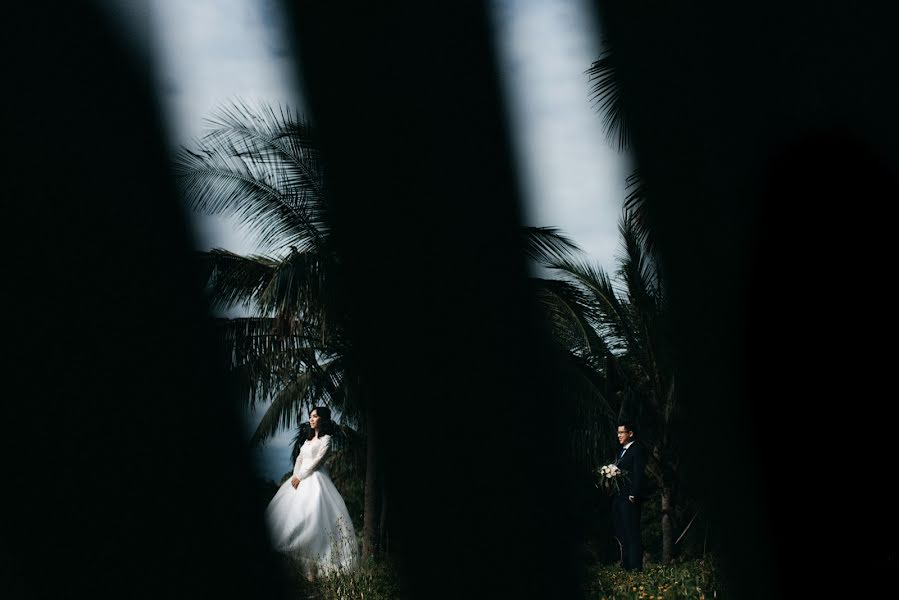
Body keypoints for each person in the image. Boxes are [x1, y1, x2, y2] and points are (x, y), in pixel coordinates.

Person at [265, 407, 358, 577]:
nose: (311, 419)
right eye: (310, 416)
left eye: (315, 416)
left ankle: (314, 564)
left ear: (322, 419)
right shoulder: (307, 442)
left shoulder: (327, 440)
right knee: (291, 516)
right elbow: (300, 459)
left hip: (315, 479)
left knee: (313, 516)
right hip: (299, 479)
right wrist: (295, 476)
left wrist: (301, 476)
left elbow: (317, 461)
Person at [611, 420, 648, 571]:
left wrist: (634, 493)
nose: (618, 435)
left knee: (632, 532)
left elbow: (638, 472)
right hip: (619, 498)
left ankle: (636, 568)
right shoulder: (621, 451)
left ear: (630, 433)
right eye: (618, 432)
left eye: (621, 432)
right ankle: (626, 566)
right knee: (622, 533)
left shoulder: (637, 449)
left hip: (629, 498)